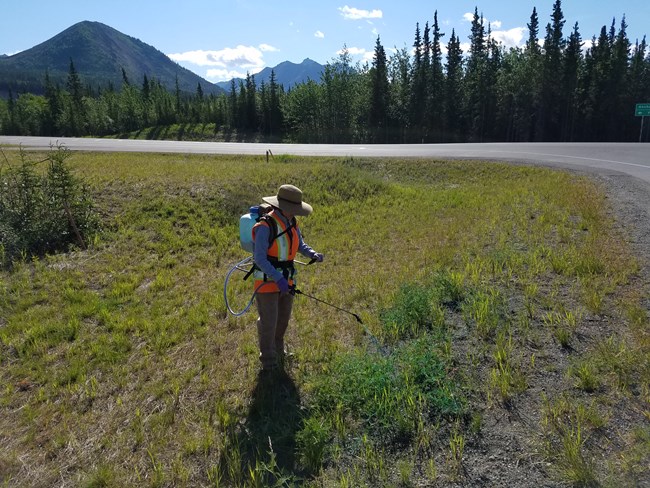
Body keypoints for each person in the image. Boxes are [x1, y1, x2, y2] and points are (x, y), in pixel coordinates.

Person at [251, 184, 323, 371]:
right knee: (269, 321)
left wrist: (312, 253)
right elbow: (259, 258)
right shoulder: (264, 226)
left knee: (283, 320)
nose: (296, 213)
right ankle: (268, 361)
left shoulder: (292, 222)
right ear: (283, 206)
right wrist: (277, 278)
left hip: (287, 280)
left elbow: (299, 244)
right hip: (267, 282)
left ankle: (279, 352)